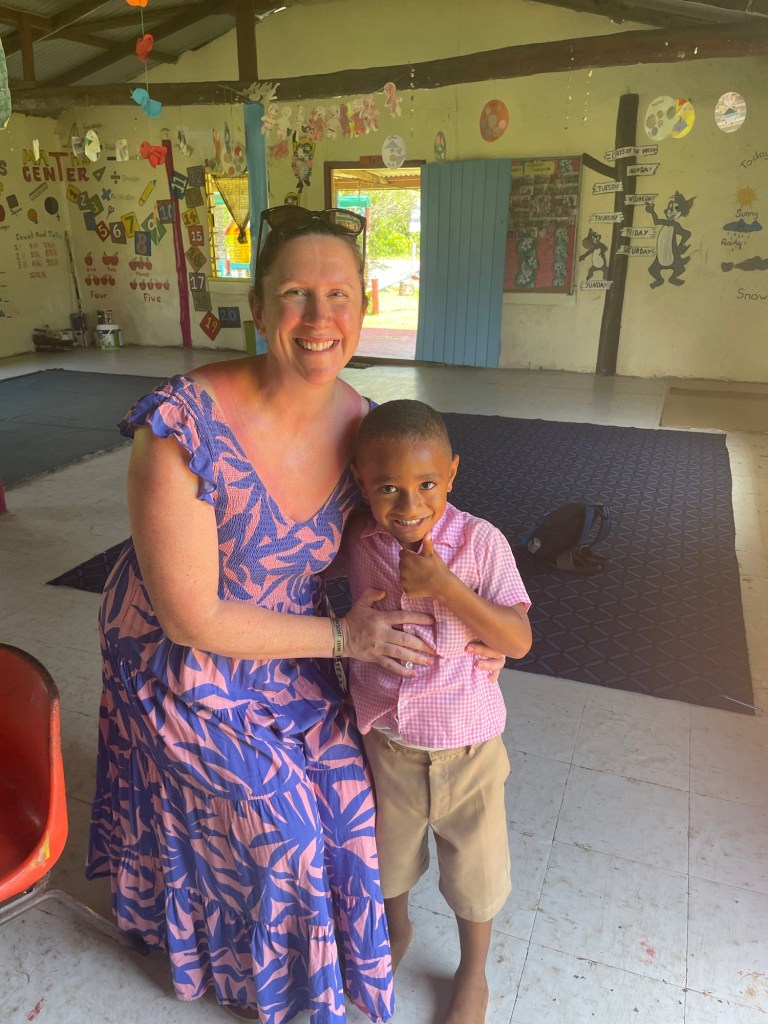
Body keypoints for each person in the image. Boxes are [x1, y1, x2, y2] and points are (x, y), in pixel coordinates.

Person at [85, 206, 504, 1024]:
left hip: (293, 643)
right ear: (258, 304)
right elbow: (190, 618)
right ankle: (266, 982)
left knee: (355, 803)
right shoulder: (181, 427)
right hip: (182, 659)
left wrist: (479, 630)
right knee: (289, 832)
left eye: (339, 294)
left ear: (364, 303)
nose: (319, 317)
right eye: (295, 294)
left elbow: (413, 531)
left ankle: (354, 952)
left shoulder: (361, 423)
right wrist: (348, 638)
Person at [331, 399, 532, 1024]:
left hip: (469, 749)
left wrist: (446, 586)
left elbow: (518, 639)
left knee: (477, 876)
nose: (409, 505)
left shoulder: (480, 543)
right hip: (388, 746)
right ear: (361, 480)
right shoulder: (358, 539)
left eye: (426, 484)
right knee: (386, 861)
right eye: (387, 487)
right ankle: (396, 932)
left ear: (452, 474)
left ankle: (472, 973)